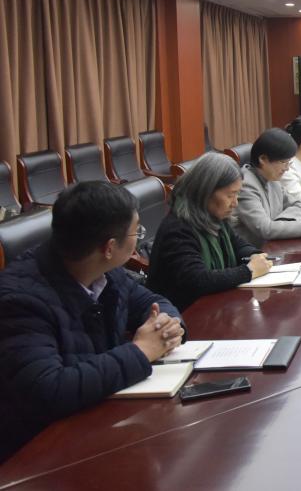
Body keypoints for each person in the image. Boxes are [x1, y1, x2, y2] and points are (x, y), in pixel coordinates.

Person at [0, 181, 184, 460]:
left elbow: (151, 302)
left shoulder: (106, 271)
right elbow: (49, 391)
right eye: (137, 231)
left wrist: (167, 326)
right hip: (41, 453)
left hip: (100, 417)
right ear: (109, 247)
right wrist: (141, 351)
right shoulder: (20, 301)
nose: (139, 238)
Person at [147, 153, 271, 310]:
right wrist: (249, 271)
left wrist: (254, 255)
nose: (235, 203)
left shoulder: (212, 214)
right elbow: (197, 280)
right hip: (183, 315)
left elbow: (237, 244)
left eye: (237, 194)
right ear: (205, 192)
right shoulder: (178, 228)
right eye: (230, 195)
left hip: (214, 307)